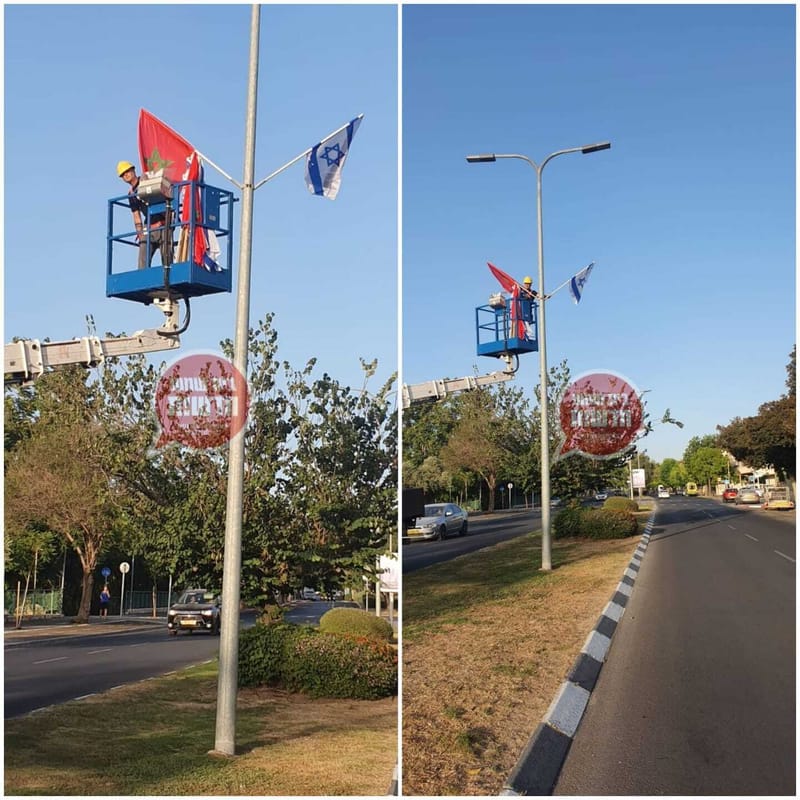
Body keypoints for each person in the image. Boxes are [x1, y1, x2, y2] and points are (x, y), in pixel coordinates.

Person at [116, 160, 171, 270]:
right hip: (149, 227)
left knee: (167, 261)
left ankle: (169, 280)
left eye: (127, 171)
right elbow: (136, 215)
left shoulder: (147, 181)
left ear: (133, 170)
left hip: (164, 224)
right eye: (122, 174)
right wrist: (139, 232)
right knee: (142, 259)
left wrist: (167, 219)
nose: (126, 175)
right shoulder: (131, 194)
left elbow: (166, 192)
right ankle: (143, 278)